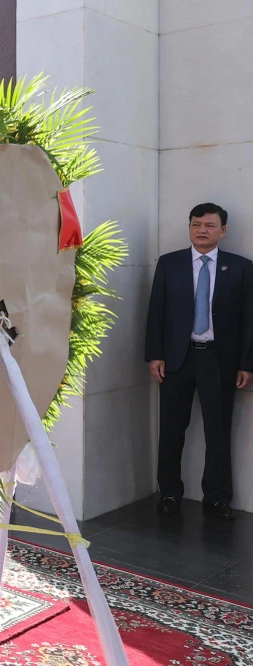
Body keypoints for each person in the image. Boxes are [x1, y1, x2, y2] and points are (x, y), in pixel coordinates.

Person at [145, 202, 253, 521]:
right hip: (177, 359)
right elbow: (156, 312)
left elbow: (249, 320)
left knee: (218, 431)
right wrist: (154, 354)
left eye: (208, 225)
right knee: (172, 429)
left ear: (223, 230)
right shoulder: (170, 264)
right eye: (195, 224)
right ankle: (169, 493)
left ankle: (217, 498)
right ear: (189, 227)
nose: (201, 230)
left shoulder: (241, 268)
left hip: (219, 360)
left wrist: (246, 363)